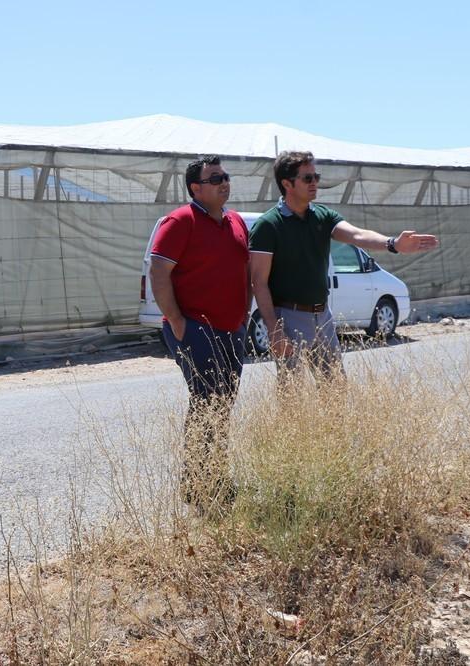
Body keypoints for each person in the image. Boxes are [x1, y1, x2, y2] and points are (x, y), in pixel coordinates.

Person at [249, 151, 439, 380]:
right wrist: (273, 329)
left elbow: (357, 235)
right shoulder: (268, 225)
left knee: (335, 388)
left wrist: (393, 244)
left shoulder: (322, 216)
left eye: (316, 176)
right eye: (307, 178)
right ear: (287, 184)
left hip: (323, 316)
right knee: (293, 394)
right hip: (289, 317)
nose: (315, 183)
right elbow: (258, 282)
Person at [149, 156, 251, 502]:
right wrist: (177, 322)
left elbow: (243, 270)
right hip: (195, 330)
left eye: (226, 176)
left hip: (232, 330)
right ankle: (197, 485)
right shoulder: (181, 221)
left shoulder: (236, 221)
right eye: (216, 178)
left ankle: (215, 476)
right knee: (207, 401)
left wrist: (244, 315)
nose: (225, 182)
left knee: (224, 403)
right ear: (196, 188)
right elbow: (158, 273)